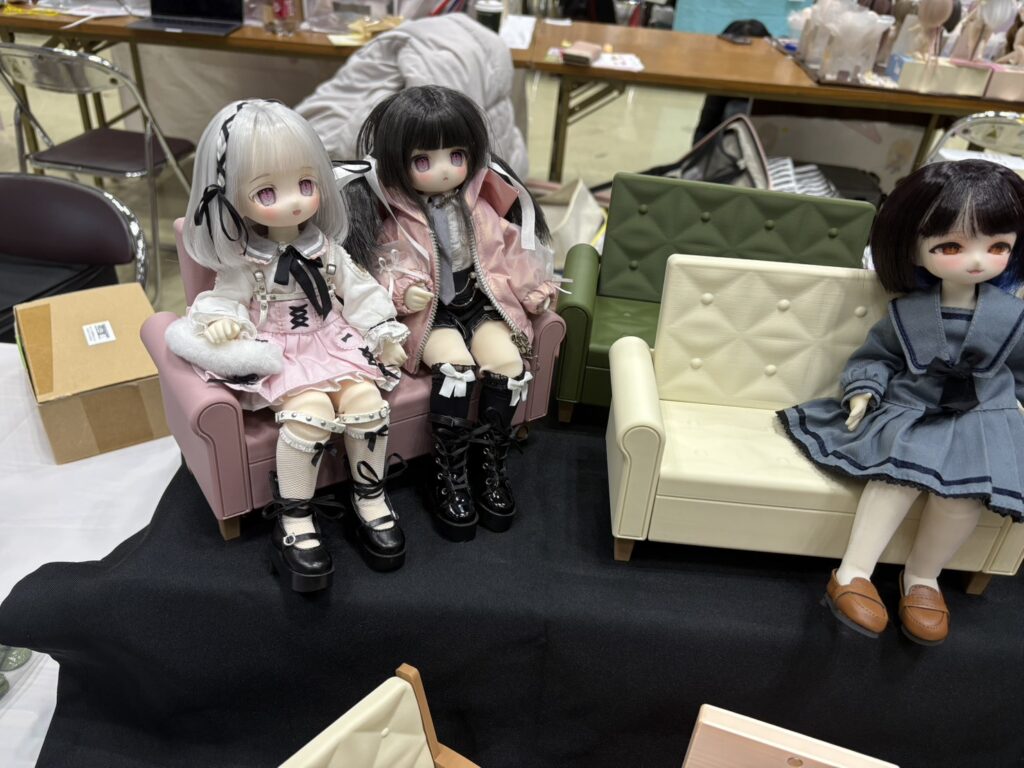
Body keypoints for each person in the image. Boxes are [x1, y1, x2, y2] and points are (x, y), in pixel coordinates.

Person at [778, 159, 1024, 644]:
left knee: (962, 496)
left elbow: (1018, 372)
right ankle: (853, 572)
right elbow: (877, 356)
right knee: (894, 480)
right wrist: (864, 390)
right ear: (912, 247)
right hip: (913, 410)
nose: (977, 261)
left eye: (998, 246)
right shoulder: (907, 314)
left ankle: (924, 578)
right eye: (951, 246)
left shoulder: (1012, 318)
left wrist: (1016, 402)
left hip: (980, 418)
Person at [168, 100, 410, 591]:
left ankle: (369, 496)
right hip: (284, 349)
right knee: (310, 411)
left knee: (366, 402)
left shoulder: (326, 250)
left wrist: (384, 331)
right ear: (231, 197)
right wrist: (224, 323)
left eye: (305, 185)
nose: (294, 203)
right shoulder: (246, 261)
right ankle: (295, 515)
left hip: (332, 340)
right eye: (266, 192)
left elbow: (359, 292)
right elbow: (222, 299)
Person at [340, 85, 559, 541]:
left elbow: (508, 253)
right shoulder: (395, 217)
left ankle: (488, 462)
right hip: (431, 315)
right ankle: (449, 472)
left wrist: (532, 289)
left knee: (508, 364)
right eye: (423, 161)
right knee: (455, 368)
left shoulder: (480, 210)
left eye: (455, 156)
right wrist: (405, 292)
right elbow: (380, 267)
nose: (443, 170)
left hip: (479, 303)